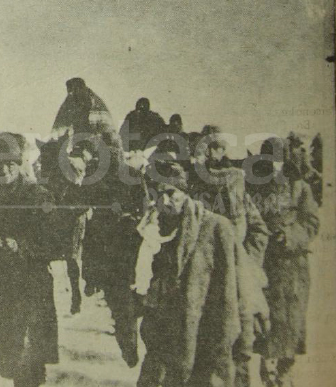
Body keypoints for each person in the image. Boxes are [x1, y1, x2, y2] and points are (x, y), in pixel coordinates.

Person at [0, 132, 64, 387]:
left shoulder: (39, 196)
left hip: (30, 287)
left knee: (27, 359)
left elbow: (55, 244)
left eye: (8, 163)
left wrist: (19, 245)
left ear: (19, 163)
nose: (2, 170)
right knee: (6, 359)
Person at [136, 160, 241, 387]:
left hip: (200, 332)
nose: (164, 201)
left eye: (171, 192)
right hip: (162, 334)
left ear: (185, 192)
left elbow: (227, 293)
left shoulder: (215, 227)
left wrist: (222, 342)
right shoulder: (151, 231)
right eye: (158, 195)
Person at [187, 129, 271, 387]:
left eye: (219, 149)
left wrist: (246, 262)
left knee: (239, 338)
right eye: (213, 149)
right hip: (201, 275)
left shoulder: (235, 184)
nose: (216, 153)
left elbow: (258, 231)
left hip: (235, 274)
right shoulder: (192, 191)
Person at [250, 137, 320, 387]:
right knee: (266, 321)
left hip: (293, 266)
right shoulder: (254, 186)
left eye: (278, 158)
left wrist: (289, 235)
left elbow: (311, 222)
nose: (274, 164)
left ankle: (284, 371)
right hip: (265, 263)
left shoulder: (299, 187)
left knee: (291, 322)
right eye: (269, 158)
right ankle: (268, 371)